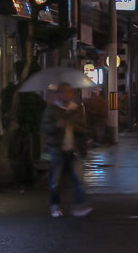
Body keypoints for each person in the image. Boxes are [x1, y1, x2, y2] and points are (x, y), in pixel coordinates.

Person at [41, 83, 91, 218]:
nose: (67, 94)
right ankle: (55, 206)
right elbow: (45, 128)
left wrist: (76, 128)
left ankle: (80, 205)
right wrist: (56, 126)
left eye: (70, 92)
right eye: (64, 92)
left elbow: (85, 129)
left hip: (73, 149)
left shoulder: (77, 110)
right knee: (55, 180)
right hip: (57, 149)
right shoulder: (52, 110)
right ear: (59, 94)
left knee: (78, 179)